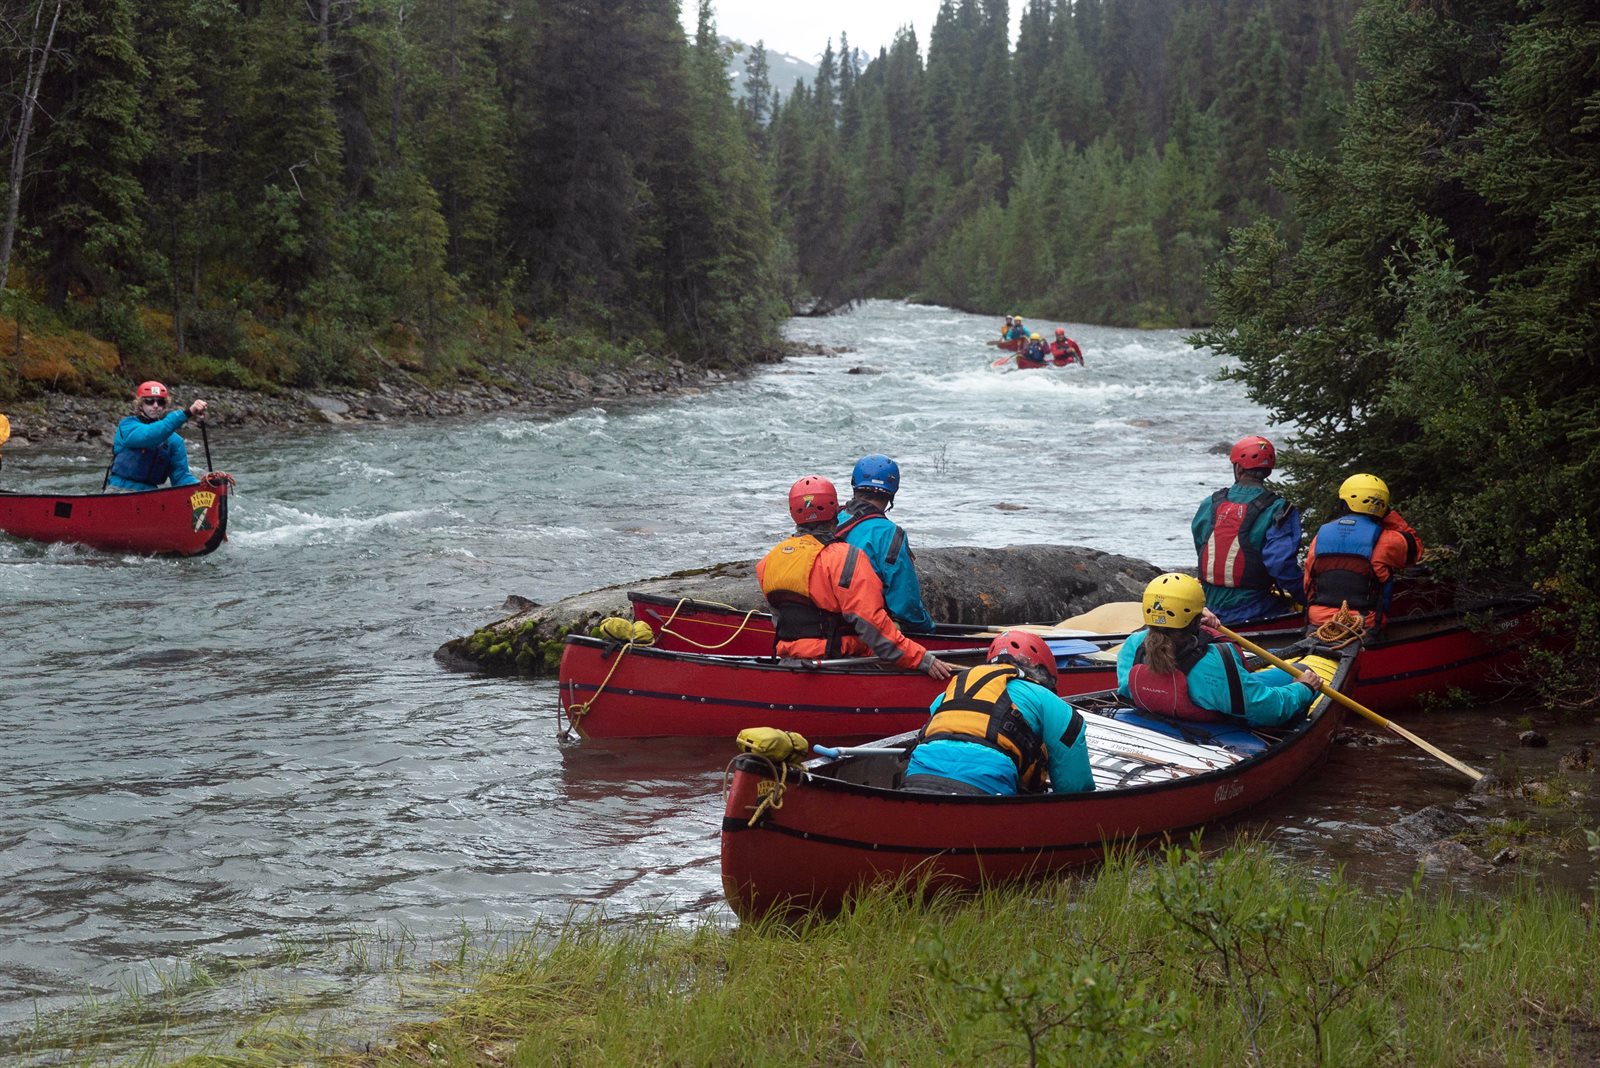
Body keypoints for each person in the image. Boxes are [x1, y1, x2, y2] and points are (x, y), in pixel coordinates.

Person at [756, 476, 956, 680]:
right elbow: (873, 626)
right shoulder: (848, 559)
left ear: (793, 513)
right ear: (835, 510)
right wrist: (922, 659)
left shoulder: (768, 562)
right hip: (840, 663)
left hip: (789, 662)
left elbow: (780, 620)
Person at [903, 630, 1094, 795]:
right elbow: (1075, 787)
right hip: (988, 785)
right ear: (1043, 672)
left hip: (917, 776)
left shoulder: (950, 692)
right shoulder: (1047, 699)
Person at [1116, 573, 1321, 727]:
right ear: (1196, 618)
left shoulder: (1134, 644)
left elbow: (1126, 688)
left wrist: (1201, 626)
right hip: (1215, 722)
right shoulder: (1214, 662)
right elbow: (1269, 709)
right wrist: (1304, 689)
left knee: (1276, 678)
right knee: (1302, 672)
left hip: (1164, 708)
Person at [1191, 435, 1305, 624]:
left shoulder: (1210, 502)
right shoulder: (1279, 509)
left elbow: (1201, 545)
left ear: (1239, 467)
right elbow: (1280, 563)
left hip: (1209, 606)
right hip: (1254, 608)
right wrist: (1305, 597)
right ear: (1268, 470)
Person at [1303, 474, 1425, 631]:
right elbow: (1416, 549)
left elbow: (1308, 584)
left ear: (1344, 503)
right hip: (1364, 624)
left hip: (1319, 623)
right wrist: (1389, 516)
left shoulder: (1320, 536)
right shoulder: (1387, 540)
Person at [837, 454, 936, 633]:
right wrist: (928, 628)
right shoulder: (890, 533)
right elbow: (905, 605)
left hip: (818, 618)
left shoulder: (830, 519)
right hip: (860, 628)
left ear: (855, 485)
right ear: (892, 491)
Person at [108, 381, 208, 492]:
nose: (155, 406)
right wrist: (187, 413)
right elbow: (150, 435)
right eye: (149, 401)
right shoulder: (127, 426)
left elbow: (181, 477)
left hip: (151, 494)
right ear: (140, 404)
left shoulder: (174, 441)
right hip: (119, 489)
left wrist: (205, 485)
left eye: (160, 402)